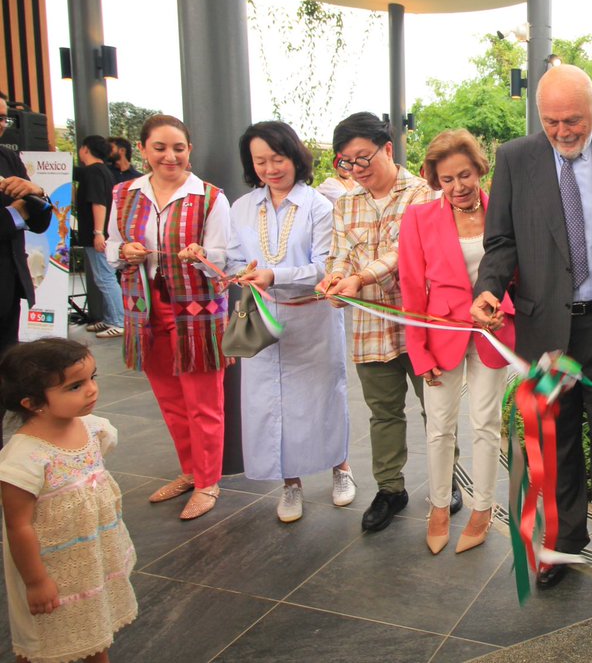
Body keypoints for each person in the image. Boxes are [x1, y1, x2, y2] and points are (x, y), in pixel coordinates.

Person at [471, 64, 592, 598]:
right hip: (544, 327)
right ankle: (566, 541)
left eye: (573, 120)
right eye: (551, 121)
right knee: (556, 444)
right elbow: (501, 241)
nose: (562, 131)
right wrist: (488, 288)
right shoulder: (515, 159)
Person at [319, 112, 460, 533]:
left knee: (436, 410)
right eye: (346, 162)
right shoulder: (345, 204)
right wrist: (333, 281)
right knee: (383, 413)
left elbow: (406, 253)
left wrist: (360, 278)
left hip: (421, 324)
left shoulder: (423, 194)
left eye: (363, 157)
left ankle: (447, 482)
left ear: (387, 148)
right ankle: (390, 489)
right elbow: (338, 255)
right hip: (370, 328)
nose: (356, 169)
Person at [226, 121, 353, 523]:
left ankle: (340, 468)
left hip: (311, 318)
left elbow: (324, 267)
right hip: (262, 318)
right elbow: (232, 259)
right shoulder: (242, 207)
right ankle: (290, 483)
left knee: (322, 395)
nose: (270, 168)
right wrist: (240, 272)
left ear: (295, 157)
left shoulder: (318, 206)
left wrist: (274, 275)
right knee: (269, 402)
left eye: (277, 158)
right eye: (260, 161)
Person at [106, 114, 230, 521]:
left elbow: (224, 259)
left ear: (189, 150)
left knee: (203, 402)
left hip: (197, 314)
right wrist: (125, 252)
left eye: (178, 148)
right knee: (170, 400)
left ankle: (208, 481)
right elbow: (111, 247)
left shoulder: (209, 197)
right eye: (159, 148)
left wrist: (202, 255)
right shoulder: (124, 194)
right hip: (146, 311)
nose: (169, 156)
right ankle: (189, 471)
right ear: (143, 149)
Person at [399, 129, 516, 554]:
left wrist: (504, 307)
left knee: (485, 423)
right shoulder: (418, 219)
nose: (458, 186)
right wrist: (418, 351)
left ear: (479, 169)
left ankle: (482, 510)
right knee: (439, 428)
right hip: (439, 335)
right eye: (447, 179)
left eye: (464, 175)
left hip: (491, 332)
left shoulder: (503, 213)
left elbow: (517, 273)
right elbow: (412, 289)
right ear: (436, 180)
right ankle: (438, 508)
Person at [0, 338, 137, 663]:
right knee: (45, 641)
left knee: (94, 627)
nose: (91, 390)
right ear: (33, 403)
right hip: (53, 567)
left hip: (92, 554)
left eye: (92, 378)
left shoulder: (94, 430)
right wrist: (36, 581)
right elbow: (18, 526)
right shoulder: (24, 459)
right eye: (75, 386)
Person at [0, 91, 53, 449]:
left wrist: (37, 192)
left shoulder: (8, 157)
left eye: (3, 119)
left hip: (9, 285)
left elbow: (40, 221)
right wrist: (18, 212)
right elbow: (20, 216)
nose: (1, 126)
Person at [77, 135, 125, 339]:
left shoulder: (94, 172)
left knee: (105, 277)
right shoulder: (103, 171)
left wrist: (98, 232)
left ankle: (118, 321)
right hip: (102, 234)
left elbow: (99, 203)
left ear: (85, 149)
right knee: (104, 277)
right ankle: (110, 317)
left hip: (98, 235)